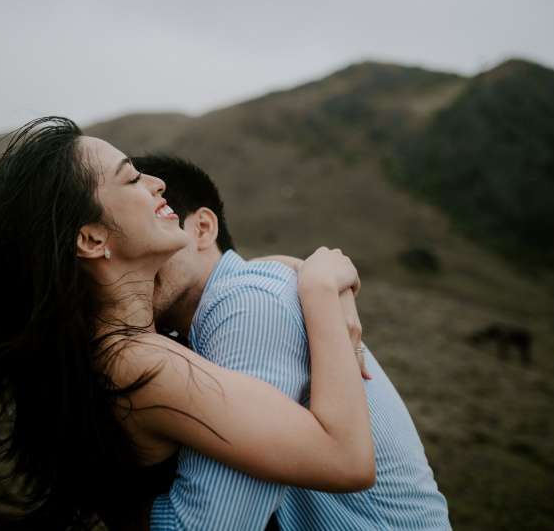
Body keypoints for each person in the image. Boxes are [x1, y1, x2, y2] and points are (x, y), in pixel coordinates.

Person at [0, 117, 375, 531]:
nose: (157, 184)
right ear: (92, 239)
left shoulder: (109, 350)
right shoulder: (144, 367)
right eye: (132, 178)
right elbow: (347, 459)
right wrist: (317, 290)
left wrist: (280, 267)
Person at [132, 154, 451, 530]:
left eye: (153, 226)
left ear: (203, 228)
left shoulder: (248, 302)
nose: (138, 253)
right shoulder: (209, 317)